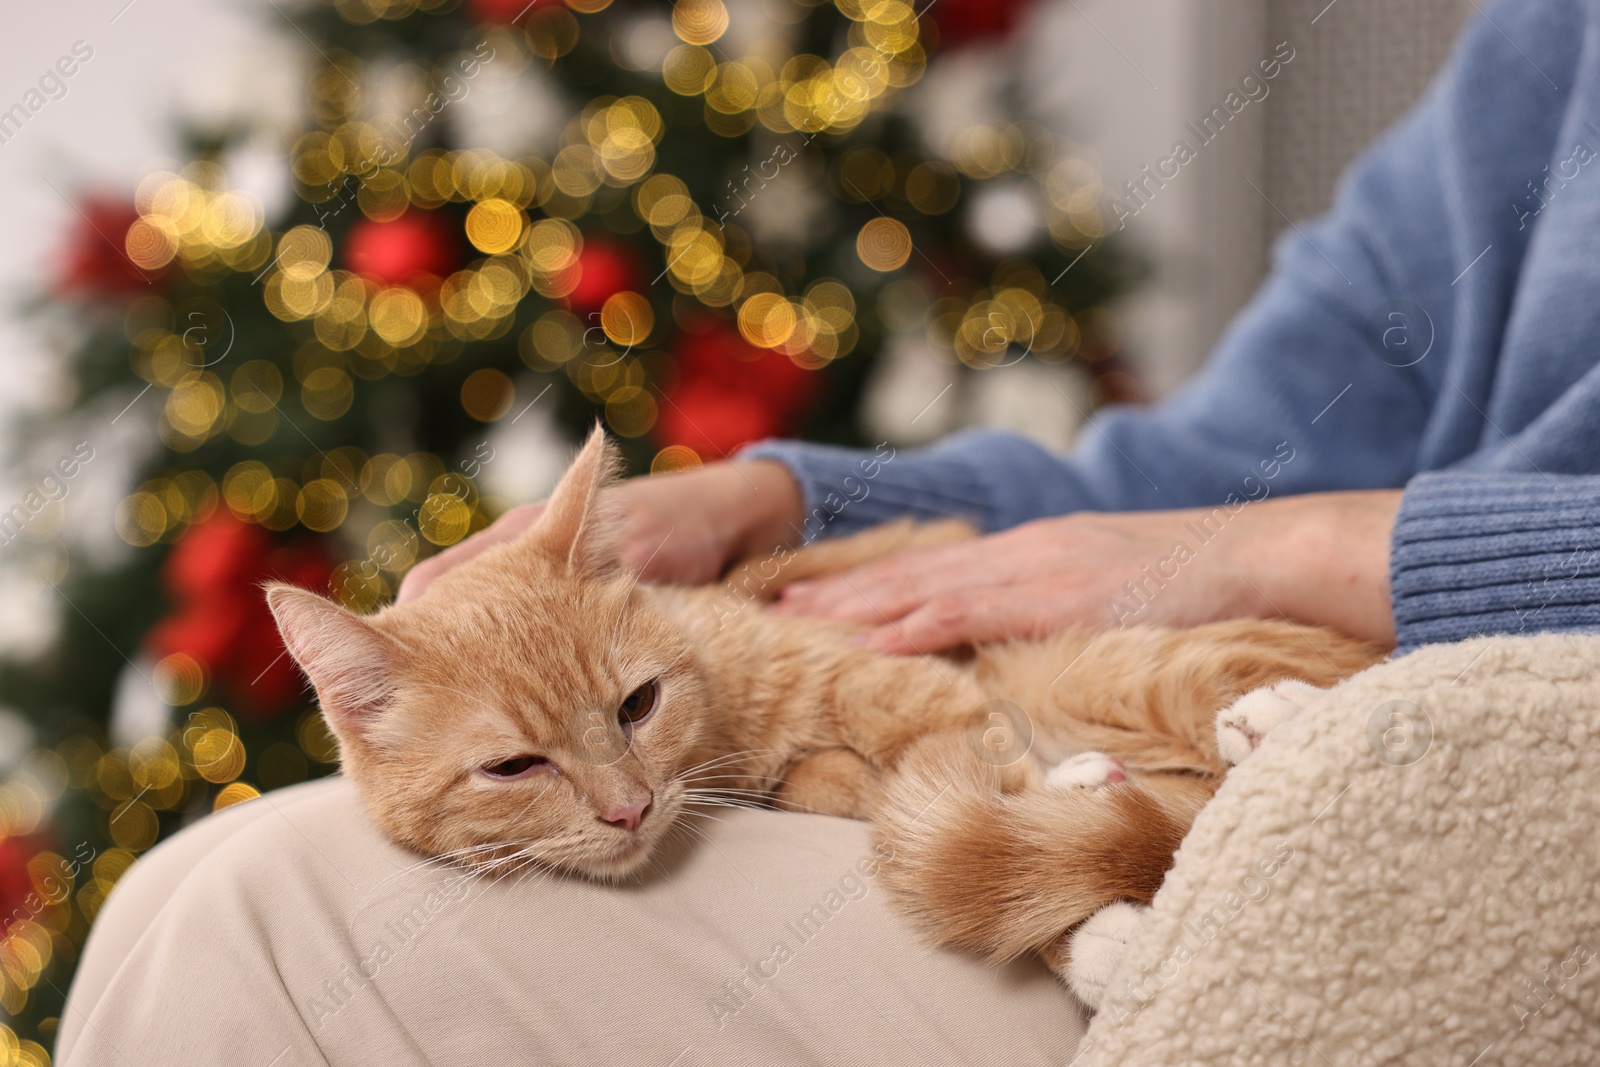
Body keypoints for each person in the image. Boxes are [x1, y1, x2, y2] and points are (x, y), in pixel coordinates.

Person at [58, 2, 1600, 1063]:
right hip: (1260, 713)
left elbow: (1248, 521)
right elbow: (1223, 456)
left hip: (1495, 770)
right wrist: (788, 501)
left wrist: (1337, 551)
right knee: (177, 894)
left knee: (254, 923)